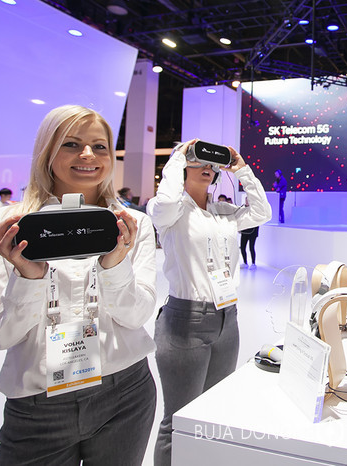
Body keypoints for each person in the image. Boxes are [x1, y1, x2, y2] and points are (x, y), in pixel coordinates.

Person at [0, 105, 157, 465]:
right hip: (39, 403)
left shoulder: (132, 225)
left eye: (99, 146)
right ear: (47, 151)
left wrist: (114, 265)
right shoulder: (7, 226)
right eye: (71, 144)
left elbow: (137, 317)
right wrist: (29, 278)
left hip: (126, 391)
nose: (88, 155)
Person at [147, 139, 271, 466]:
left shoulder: (223, 212)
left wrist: (241, 169)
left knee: (214, 412)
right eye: (197, 160)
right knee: (178, 420)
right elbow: (167, 201)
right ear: (182, 167)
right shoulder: (169, 211)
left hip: (227, 319)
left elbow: (262, 212)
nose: (207, 167)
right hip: (185, 321)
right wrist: (177, 156)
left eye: (211, 164)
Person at [239, 197, 259, 269]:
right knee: (242, 247)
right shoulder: (242, 209)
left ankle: (253, 263)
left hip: (253, 231)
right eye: (246, 200)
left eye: (249, 200)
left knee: (251, 247)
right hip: (244, 231)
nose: (247, 202)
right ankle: (245, 262)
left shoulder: (255, 209)